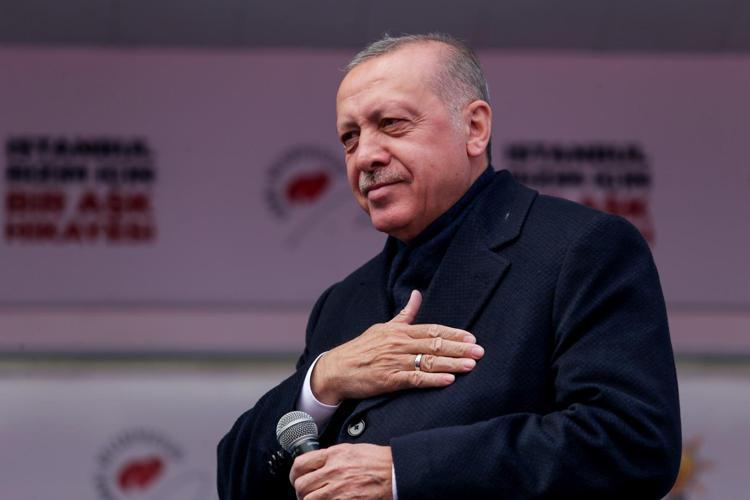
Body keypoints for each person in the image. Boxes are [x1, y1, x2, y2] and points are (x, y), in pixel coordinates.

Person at [218, 33, 681, 499]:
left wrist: (402, 473)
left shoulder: (579, 248)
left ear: (475, 128)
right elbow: (235, 481)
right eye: (349, 137)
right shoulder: (341, 303)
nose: (365, 156)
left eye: (392, 124)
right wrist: (323, 380)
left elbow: (630, 442)